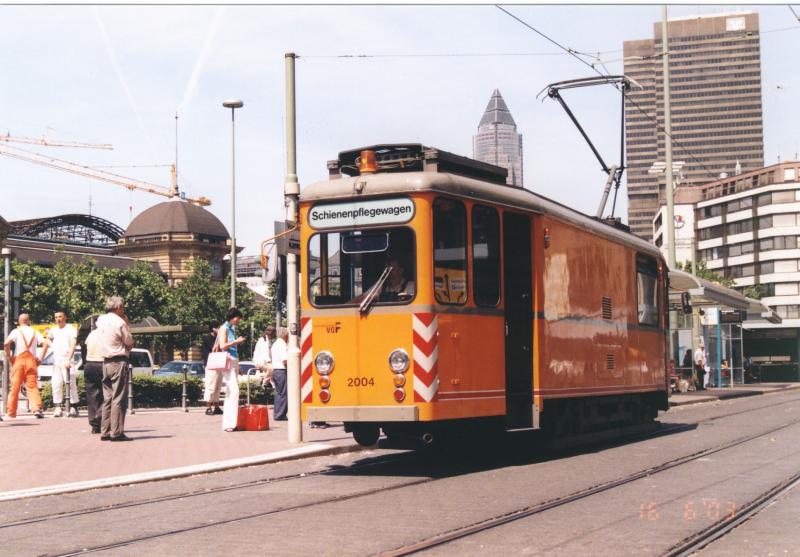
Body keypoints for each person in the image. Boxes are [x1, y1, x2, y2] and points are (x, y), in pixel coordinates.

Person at [97, 296, 134, 441]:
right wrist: (127, 324)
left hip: (105, 361)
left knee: (107, 397)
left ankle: (104, 430)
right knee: (118, 397)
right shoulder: (120, 322)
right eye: (122, 307)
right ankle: (116, 432)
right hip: (118, 360)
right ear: (118, 307)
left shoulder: (100, 320)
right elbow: (129, 342)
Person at [3, 313, 47, 419]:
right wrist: (40, 358)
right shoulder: (34, 332)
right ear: (29, 321)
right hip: (31, 361)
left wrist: (9, 356)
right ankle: (37, 408)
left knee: (15, 387)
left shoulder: (16, 331)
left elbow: (6, 343)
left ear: (19, 321)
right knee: (32, 386)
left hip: (19, 360)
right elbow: (45, 344)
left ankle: (11, 411)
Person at [217, 307, 245, 432]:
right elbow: (223, 346)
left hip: (233, 361)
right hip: (228, 361)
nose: (238, 321)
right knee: (234, 391)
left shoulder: (230, 328)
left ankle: (229, 423)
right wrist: (237, 341)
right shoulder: (224, 328)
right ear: (233, 318)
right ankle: (230, 423)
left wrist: (238, 367)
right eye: (238, 318)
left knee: (230, 392)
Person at [48, 310, 79, 417]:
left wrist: (69, 359)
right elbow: (47, 338)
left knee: (70, 383)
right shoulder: (53, 330)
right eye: (56, 317)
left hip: (67, 360)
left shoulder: (71, 329)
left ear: (65, 317)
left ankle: (74, 406)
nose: (58, 319)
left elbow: (73, 344)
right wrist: (52, 346)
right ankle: (57, 407)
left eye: (60, 316)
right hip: (56, 361)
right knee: (56, 384)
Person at [81, 321, 104, 434]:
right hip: (102, 363)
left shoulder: (91, 334)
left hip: (89, 364)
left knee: (92, 395)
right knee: (107, 394)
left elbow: (84, 348)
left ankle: (94, 424)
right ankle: (101, 417)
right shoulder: (106, 334)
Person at [202, 321, 223, 416]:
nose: (218, 329)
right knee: (211, 386)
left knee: (218, 386)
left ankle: (217, 406)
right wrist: (219, 336)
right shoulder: (207, 337)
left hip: (219, 363)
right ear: (212, 328)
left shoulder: (219, 338)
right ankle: (208, 407)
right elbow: (214, 348)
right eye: (216, 327)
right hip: (210, 364)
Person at [271, 327, 289, 421]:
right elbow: (285, 359)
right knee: (283, 393)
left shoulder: (275, 344)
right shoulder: (282, 344)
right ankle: (280, 414)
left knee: (278, 393)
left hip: (276, 371)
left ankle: (277, 413)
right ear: (285, 334)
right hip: (281, 371)